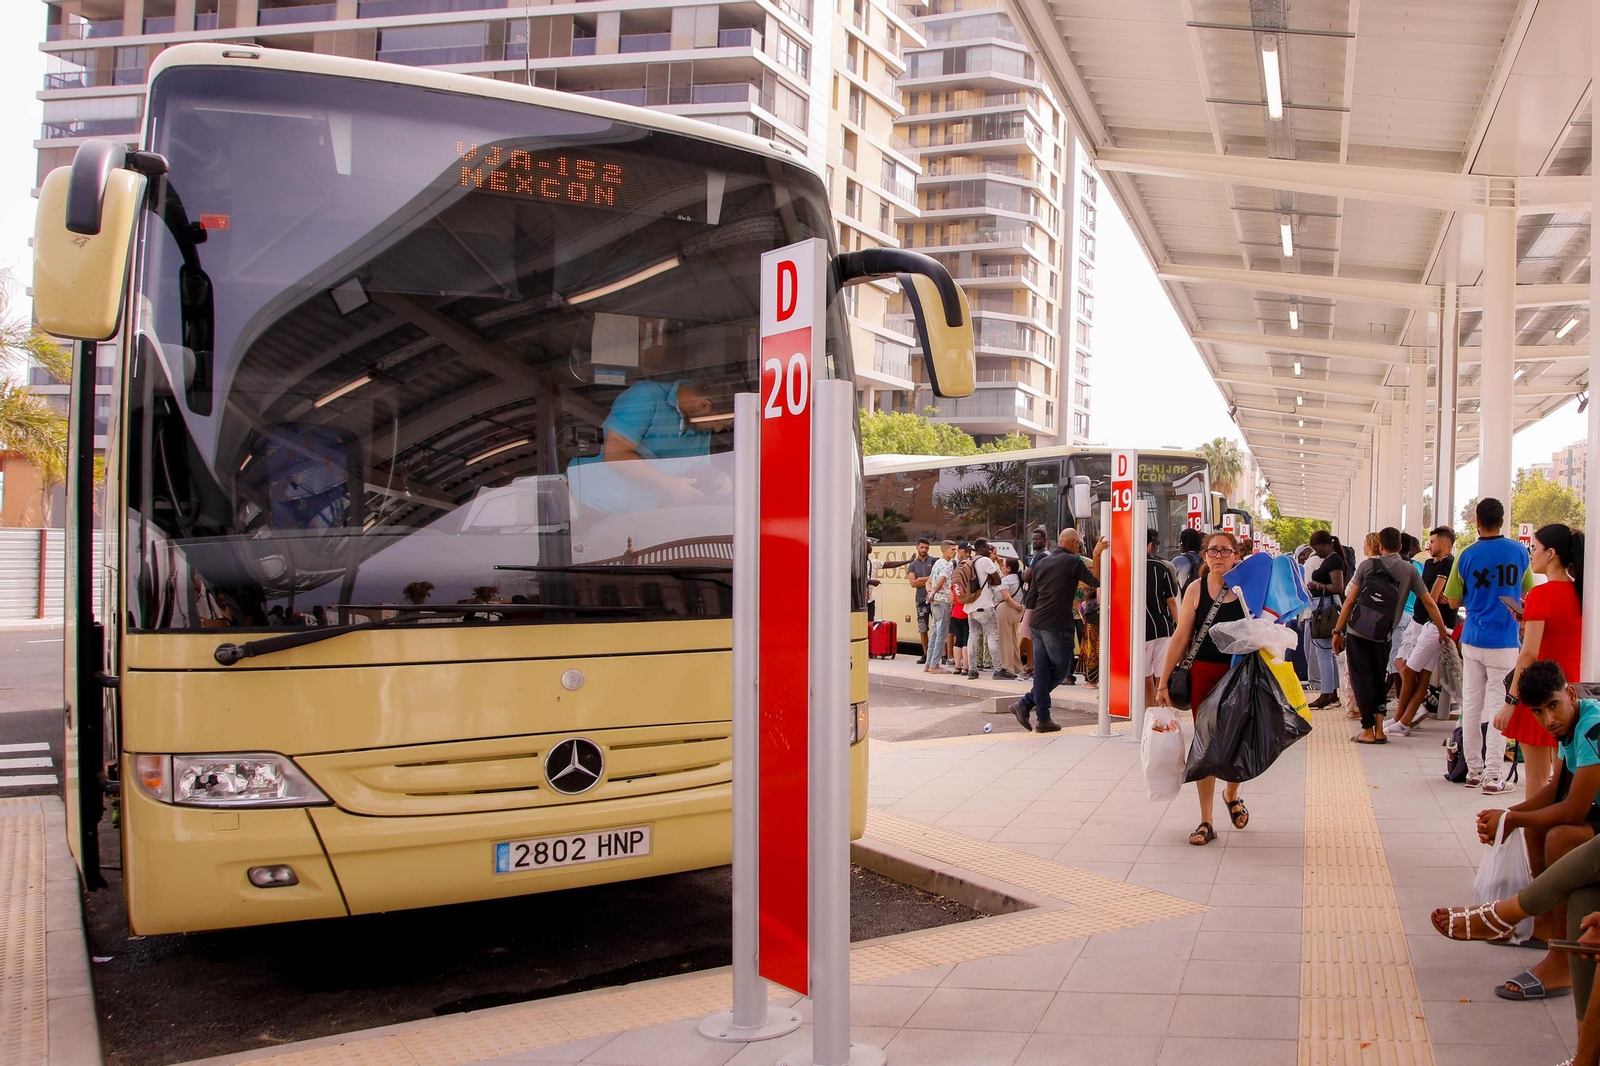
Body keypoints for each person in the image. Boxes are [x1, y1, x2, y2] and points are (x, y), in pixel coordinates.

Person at [1431, 661, 1600, 1006]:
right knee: (1537, 828)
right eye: (1538, 712)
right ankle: (1542, 927)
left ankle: (1548, 953)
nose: (1549, 720)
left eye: (1553, 706)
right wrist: (1508, 815)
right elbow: (1556, 790)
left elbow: (1573, 811)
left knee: (1559, 836)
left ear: (1569, 694)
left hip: (1589, 814)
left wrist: (1512, 820)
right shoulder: (1572, 720)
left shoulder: (1592, 728)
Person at [1156, 530, 1250, 846]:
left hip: (1240, 674)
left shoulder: (1249, 588)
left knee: (1238, 741)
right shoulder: (1196, 589)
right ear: (1204, 555)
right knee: (1205, 744)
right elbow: (1181, 637)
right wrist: (1162, 681)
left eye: (1225, 551)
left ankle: (1232, 793)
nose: (1219, 556)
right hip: (1204, 674)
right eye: (1213, 551)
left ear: (1237, 555)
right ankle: (1206, 821)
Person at [1446, 497, 1535, 794]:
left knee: (1471, 705)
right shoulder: (1519, 552)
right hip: (1506, 641)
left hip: (1473, 637)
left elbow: (1454, 599)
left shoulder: (1467, 555)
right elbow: (1528, 593)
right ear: (1502, 519)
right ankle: (1494, 776)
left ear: (1477, 521)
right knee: (1499, 706)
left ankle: (1473, 770)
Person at [1332, 527, 1451, 744]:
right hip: (1384, 634)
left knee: (1361, 679)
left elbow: (1349, 601)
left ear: (1381, 546)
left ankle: (1367, 730)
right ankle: (1379, 728)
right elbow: (1429, 603)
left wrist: (1337, 631)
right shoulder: (1410, 571)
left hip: (1359, 630)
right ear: (1401, 546)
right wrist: (1442, 630)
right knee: (1379, 679)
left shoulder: (1368, 565)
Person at [1501, 525, 1587, 796]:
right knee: (1564, 778)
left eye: (1534, 548)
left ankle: (1534, 836)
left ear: (1551, 554)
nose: (1531, 554)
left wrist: (1511, 703)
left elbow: (1528, 654)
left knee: (1537, 781)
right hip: (1574, 687)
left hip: (1541, 688)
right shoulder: (1584, 593)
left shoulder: (1540, 595)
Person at [1011, 529, 1098, 734]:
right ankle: (1025, 704)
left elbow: (1031, 596)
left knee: (1042, 672)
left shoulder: (1042, 563)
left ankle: (1042, 718)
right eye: (1079, 543)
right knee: (1062, 669)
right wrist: (1096, 556)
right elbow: (1096, 581)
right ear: (1074, 543)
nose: (1079, 546)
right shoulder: (1074, 561)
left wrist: (1027, 624)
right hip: (1057, 624)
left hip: (1038, 623)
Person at [1390, 526, 1459, 735]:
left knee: (1413, 671)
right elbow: (1430, 594)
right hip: (1420, 621)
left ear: (1444, 543)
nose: (1429, 546)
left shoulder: (1449, 564)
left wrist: (1433, 597)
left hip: (1436, 625)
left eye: (1433, 542)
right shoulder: (1429, 564)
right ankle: (1405, 717)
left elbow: (1434, 596)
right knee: (1404, 664)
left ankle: (1403, 719)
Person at [1305, 530, 1348, 709]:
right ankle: (1332, 693)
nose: (1316, 552)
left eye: (1316, 548)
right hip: (1324, 606)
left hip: (1324, 608)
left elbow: (1338, 586)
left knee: (1323, 653)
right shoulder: (1333, 559)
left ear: (1323, 545)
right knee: (1328, 654)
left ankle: (1326, 694)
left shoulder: (1334, 560)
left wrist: (1316, 585)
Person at [1145, 527, 1180, 710]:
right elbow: (1171, 602)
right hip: (1163, 628)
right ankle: (1163, 717)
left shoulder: (1127, 567)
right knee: (1162, 676)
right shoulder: (1162, 567)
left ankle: (1147, 716)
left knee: (1144, 678)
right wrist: (1179, 626)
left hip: (1139, 632)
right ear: (1150, 545)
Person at [964, 538, 1004, 681]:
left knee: (973, 636)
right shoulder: (985, 561)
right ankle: (999, 669)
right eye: (988, 548)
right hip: (985, 605)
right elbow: (998, 580)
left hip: (970, 606)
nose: (989, 550)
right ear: (981, 549)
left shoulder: (969, 561)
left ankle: (972, 670)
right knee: (992, 636)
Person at [924, 541, 957, 674]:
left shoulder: (937, 562)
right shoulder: (947, 564)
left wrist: (930, 593)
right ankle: (934, 665)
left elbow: (929, 581)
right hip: (942, 600)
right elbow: (941, 581)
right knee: (941, 634)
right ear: (945, 551)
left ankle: (928, 664)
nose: (954, 552)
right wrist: (933, 593)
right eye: (952, 550)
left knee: (935, 633)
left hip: (935, 601)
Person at [902, 539, 937, 664]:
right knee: (923, 628)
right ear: (917, 547)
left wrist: (920, 579)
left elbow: (937, 578)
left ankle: (940, 654)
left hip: (935, 598)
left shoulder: (934, 561)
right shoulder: (913, 564)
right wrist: (928, 579)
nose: (924, 550)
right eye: (922, 547)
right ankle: (926, 654)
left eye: (926, 548)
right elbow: (913, 583)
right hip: (921, 599)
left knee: (939, 626)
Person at [996, 556, 1026, 679]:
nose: (1001, 567)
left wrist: (1016, 605)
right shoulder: (1018, 578)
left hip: (1006, 610)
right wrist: (1019, 607)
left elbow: (1007, 597)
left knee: (1005, 640)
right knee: (1013, 639)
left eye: (1003, 565)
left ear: (1008, 568)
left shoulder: (1006, 580)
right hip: (1016, 613)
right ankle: (1017, 667)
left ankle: (1007, 668)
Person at [948, 543, 974, 676]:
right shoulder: (969, 578)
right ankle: (965, 667)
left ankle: (957, 667)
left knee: (957, 639)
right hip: (966, 612)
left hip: (955, 613)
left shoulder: (955, 577)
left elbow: (951, 598)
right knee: (966, 640)